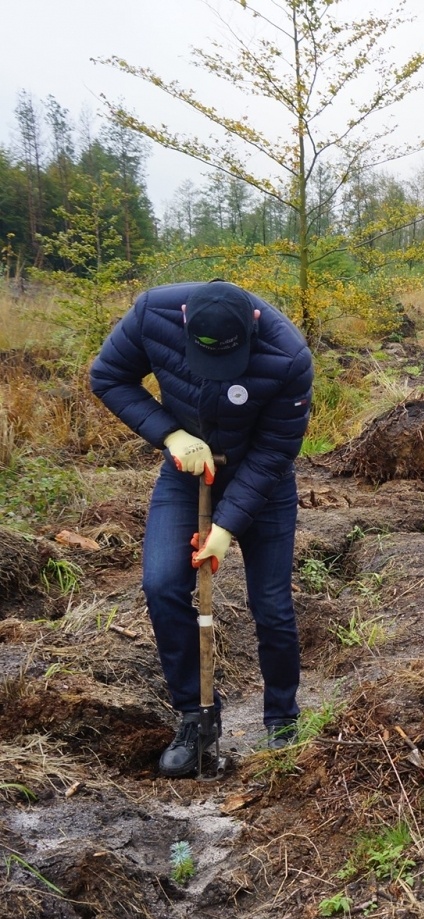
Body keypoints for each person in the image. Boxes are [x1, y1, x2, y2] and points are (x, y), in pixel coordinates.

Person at [89, 281, 312, 776]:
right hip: (185, 473)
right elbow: (108, 377)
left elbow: (276, 451)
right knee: (162, 584)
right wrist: (170, 433)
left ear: (251, 329)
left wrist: (226, 527)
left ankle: (282, 719)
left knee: (271, 606)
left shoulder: (288, 354)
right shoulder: (154, 313)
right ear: (185, 320)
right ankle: (197, 715)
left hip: (263, 481)